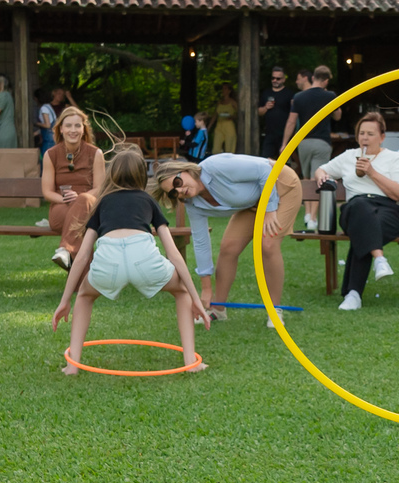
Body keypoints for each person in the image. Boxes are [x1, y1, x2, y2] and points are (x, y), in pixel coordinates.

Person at [52, 146, 211, 375]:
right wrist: (195, 298)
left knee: (85, 295)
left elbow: (83, 256)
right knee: (181, 292)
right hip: (145, 260)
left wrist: (65, 300)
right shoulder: (148, 201)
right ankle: (190, 361)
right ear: (141, 176)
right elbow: (174, 254)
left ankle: (72, 365)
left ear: (112, 174)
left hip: (108, 263)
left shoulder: (102, 202)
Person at [153, 154, 302, 328]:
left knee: (267, 244)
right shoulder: (193, 204)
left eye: (177, 183)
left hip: (280, 185)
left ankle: (274, 310)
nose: (179, 191)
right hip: (254, 201)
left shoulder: (216, 167)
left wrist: (269, 209)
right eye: (173, 192)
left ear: (185, 170)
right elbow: (201, 242)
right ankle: (218, 309)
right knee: (228, 248)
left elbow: (265, 171)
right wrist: (206, 287)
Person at [313, 112, 399, 311]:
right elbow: (322, 169)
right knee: (360, 208)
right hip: (355, 208)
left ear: (382, 137)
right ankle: (379, 259)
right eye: (362, 133)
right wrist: (322, 175)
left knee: (364, 229)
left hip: (387, 210)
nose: (365, 137)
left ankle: (353, 294)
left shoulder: (394, 158)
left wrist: (372, 173)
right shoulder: (349, 156)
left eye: (371, 134)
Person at [39, 106, 105, 270]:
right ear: (61, 129)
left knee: (83, 203)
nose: (73, 130)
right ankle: (82, 277)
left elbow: (99, 188)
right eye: (68, 126)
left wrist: (80, 198)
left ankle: (65, 251)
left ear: (84, 129)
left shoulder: (96, 154)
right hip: (60, 209)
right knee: (83, 225)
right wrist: (65, 199)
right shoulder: (50, 154)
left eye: (77, 126)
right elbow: (47, 192)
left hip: (89, 207)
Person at [283, 65, 340, 231]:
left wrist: (285, 144)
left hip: (303, 142)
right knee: (318, 179)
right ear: (326, 80)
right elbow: (338, 115)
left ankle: (308, 214)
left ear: (313, 77)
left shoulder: (299, 97)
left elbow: (291, 122)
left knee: (307, 179)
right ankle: (313, 218)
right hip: (321, 142)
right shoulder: (329, 95)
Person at [258, 66, 294, 160]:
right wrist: (266, 107)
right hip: (269, 133)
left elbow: (294, 114)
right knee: (265, 160)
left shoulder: (289, 94)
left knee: (284, 162)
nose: (275, 80)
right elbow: (259, 112)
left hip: (284, 134)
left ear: (283, 80)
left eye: (278, 78)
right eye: (273, 78)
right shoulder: (266, 93)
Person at [209, 83, 238, 155]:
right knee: (216, 149)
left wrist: (232, 117)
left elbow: (238, 114)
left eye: (225, 89)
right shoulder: (220, 102)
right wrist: (209, 126)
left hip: (229, 124)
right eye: (222, 88)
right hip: (219, 124)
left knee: (229, 148)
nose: (223, 90)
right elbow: (215, 115)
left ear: (229, 91)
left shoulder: (233, 102)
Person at [34, 88, 57, 158]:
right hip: (53, 138)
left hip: (48, 140)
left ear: (37, 98)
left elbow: (47, 125)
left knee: (46, 160)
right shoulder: (49, 106)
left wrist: (36, 123)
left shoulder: (43, 108)